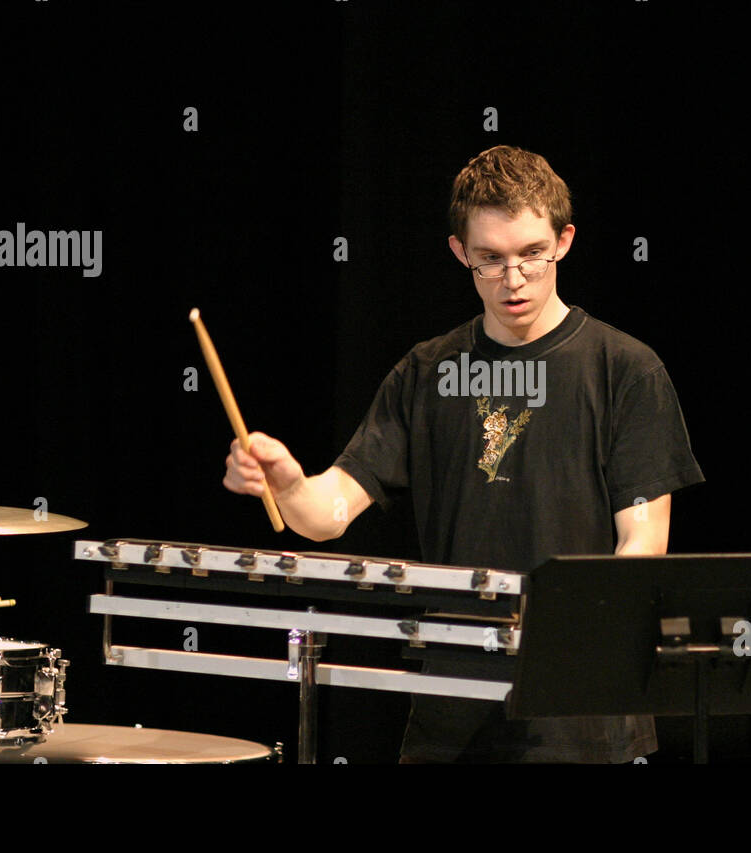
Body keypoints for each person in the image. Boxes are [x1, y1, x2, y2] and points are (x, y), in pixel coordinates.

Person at [224, 144, 704, 762]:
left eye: (532, 254)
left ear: (564, 240)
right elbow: (327, 515)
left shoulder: (625, 370)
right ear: (460, 253)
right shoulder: (427, 371)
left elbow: (640, 548)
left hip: (577, 710)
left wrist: (568, 634)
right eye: (491, 260)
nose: (514, 280)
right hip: (449, 707)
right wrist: (288, 482)